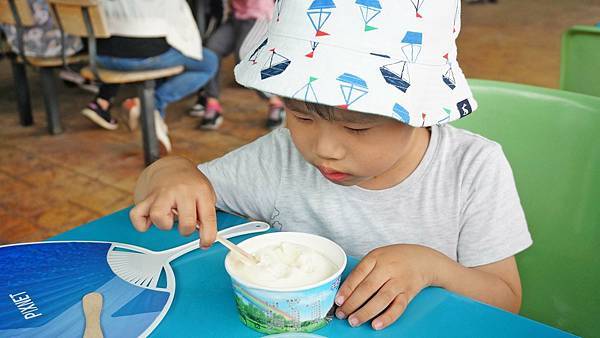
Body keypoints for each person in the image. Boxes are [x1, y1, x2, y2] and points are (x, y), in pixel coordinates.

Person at [129, 1, 532, 331]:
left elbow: (505, 300)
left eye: (357, 128)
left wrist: (431, 267)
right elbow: (177, 187)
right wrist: (170, 172)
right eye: (301, 116)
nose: (324, 150)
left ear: (421, 110)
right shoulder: (279, 158)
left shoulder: (472, 168)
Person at [80, 0, 218, 152]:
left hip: (99, 56)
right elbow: (178, 26)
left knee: (155, 41)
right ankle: (153, 105)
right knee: (209, 62)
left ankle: (145, 110)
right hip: (144, 56)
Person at [191, 0, 286, 130]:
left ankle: (275, 102)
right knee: (211, 52)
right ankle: (212, 103)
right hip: (236, 17)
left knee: (245, 58)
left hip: (259, 16)